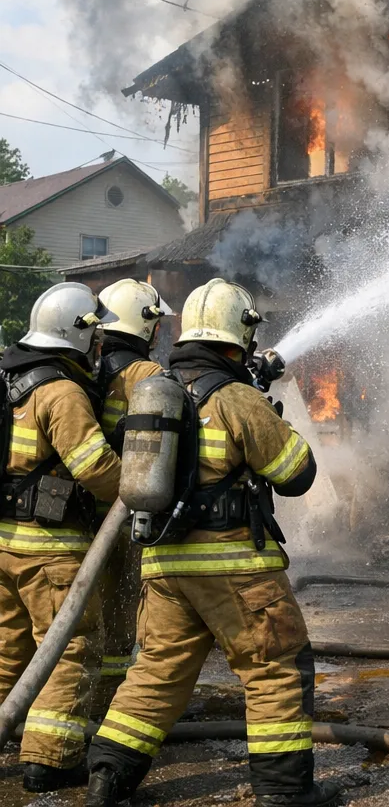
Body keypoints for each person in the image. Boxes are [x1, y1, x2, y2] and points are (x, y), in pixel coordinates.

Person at [87, 278, 341, 807]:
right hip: (234, 568)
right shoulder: (235, 399)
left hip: (163, 566)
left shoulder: (155, 389)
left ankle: (107, 777)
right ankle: (285, 794)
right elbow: (296, 473)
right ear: (239, 334)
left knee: (156, 672)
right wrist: (270, 414)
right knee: (275, 666)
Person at [0, 283, 122, 792]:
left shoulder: (10, 379)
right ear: (79, 334)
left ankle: (9, 728)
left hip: (6, 542)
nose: (98, 348)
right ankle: (48, 760)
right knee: (71, 646)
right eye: (94, 336)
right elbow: (95, 470)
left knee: (8, 648)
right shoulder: (62, 391)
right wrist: (142, 488)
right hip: (52, 549)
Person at [93, 279, 172, 708]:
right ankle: (114, 701)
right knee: (125, 616)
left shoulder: (89, 366)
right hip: (126, 513)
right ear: (147, 326)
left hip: (85, 510)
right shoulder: (146, 374)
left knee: (94, 610)